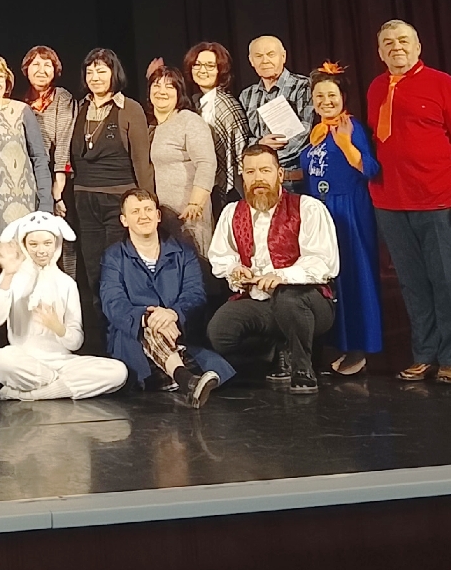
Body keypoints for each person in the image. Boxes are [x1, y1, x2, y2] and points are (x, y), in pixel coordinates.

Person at [367, 20, 451, 384]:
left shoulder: (442, 83)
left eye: (403, 40)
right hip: (389, 203)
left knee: (447, 283)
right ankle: (424, 355)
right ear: (380, 52)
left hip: (437, 201)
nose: (396, 47)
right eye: (388, 43)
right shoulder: (376, 87)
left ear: (418, 47)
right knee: (412, 284)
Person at [207, 145, 339, 394]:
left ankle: (302, 368)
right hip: (259, 301)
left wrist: (281, 276)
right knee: (220, 332)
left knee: (288, 299)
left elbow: (323, 263)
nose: (258, 178)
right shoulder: (232, 212)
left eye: (265, 170)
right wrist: (236, 270)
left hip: (309, 303)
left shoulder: (308, 208)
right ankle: (277, 348)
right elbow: (220, 256)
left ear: (279, 174)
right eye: (250, 172)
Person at [99, 189, 232, 407]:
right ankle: (185, 379)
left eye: (148, 210)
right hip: (134, 337)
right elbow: (113, 302)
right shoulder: (113, 257)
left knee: (209, 363)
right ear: (124, 220)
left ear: (158, 215)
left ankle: (174, 376)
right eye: (135, 211)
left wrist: (172, 314)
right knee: (150, 330)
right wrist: (148, 318)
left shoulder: (184, 253)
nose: (143, 216)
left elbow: (195, 294)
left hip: (178, 334)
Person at [0, 212, 128, 401]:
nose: (41, 250)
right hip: (25, 362)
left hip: (63, 363)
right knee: (0, 358)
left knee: (118, 372)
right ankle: (56, 385)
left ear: (57, 243)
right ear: (24, 245)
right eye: (34, 244)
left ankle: (33, 394)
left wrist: (58, 327)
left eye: (47, 243)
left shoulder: (67, 283)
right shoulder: (13, 276)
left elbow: (75, 342)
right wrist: (7, 276)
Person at [299, 62, 382, 376]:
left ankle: (359, 347)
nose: (326, 101)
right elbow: (312, 172)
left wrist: (347, 145)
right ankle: (341, 345)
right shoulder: (316, 133)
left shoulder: (351, 127)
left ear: (343, 96)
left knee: (354, 276)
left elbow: (370, 169)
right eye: (319, 96)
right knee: (331, 280)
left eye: (331, 95)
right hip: (322, 212)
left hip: (349, 211)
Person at [70, 48, 154, 300]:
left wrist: (147, 204)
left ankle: (124, 320)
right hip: (84, 199)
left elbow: (142, 161)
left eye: (101, 71)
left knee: (117, 267)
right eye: (90, 71)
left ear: (113, 73)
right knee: (93, 269)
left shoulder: (130, 109)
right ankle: (102, 321)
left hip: (118, 199)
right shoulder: (79, 108)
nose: (95, 77)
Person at [0, 52, 53, 267]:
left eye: (0, 76)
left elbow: (39, 159)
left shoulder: (21, 110)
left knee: (25, 269)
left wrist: (45, 207)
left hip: (23, 207)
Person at [146, 65, 217, 255]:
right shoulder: (151, 127)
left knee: (194, 265)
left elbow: (206, 163)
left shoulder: (189, 121)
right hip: (161, 217)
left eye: (169, 86)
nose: (161, 91)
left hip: (188, 214)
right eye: (156, 85)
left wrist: (195, 203)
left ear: (179, 92)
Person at [183, 41, 250, 215]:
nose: (202, 70)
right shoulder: (196, 101)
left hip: (228, 189)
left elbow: (238, 152)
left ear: (221, 70)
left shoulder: (226, 105)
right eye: (197, 65)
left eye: (210, 65)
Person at [239, 36, 313, 191]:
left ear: (283, 56)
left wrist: (268, 155)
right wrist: (260, 144)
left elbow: (306, 131)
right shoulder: (247, 95)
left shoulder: (303, 86)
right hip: (260, 180)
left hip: (296, 179)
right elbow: (243, 138)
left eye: (271, 54)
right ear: (251, 61)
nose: (265, 60)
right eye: (258, 56)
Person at [21, 46, 76, 223]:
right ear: (27, 69)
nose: (41, 70)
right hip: (27, 177)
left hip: (57, 177)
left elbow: (64, 141)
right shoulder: (20, 101)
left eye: (47, 65)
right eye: (36, 64)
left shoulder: (62, 98)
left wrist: (57, 188)